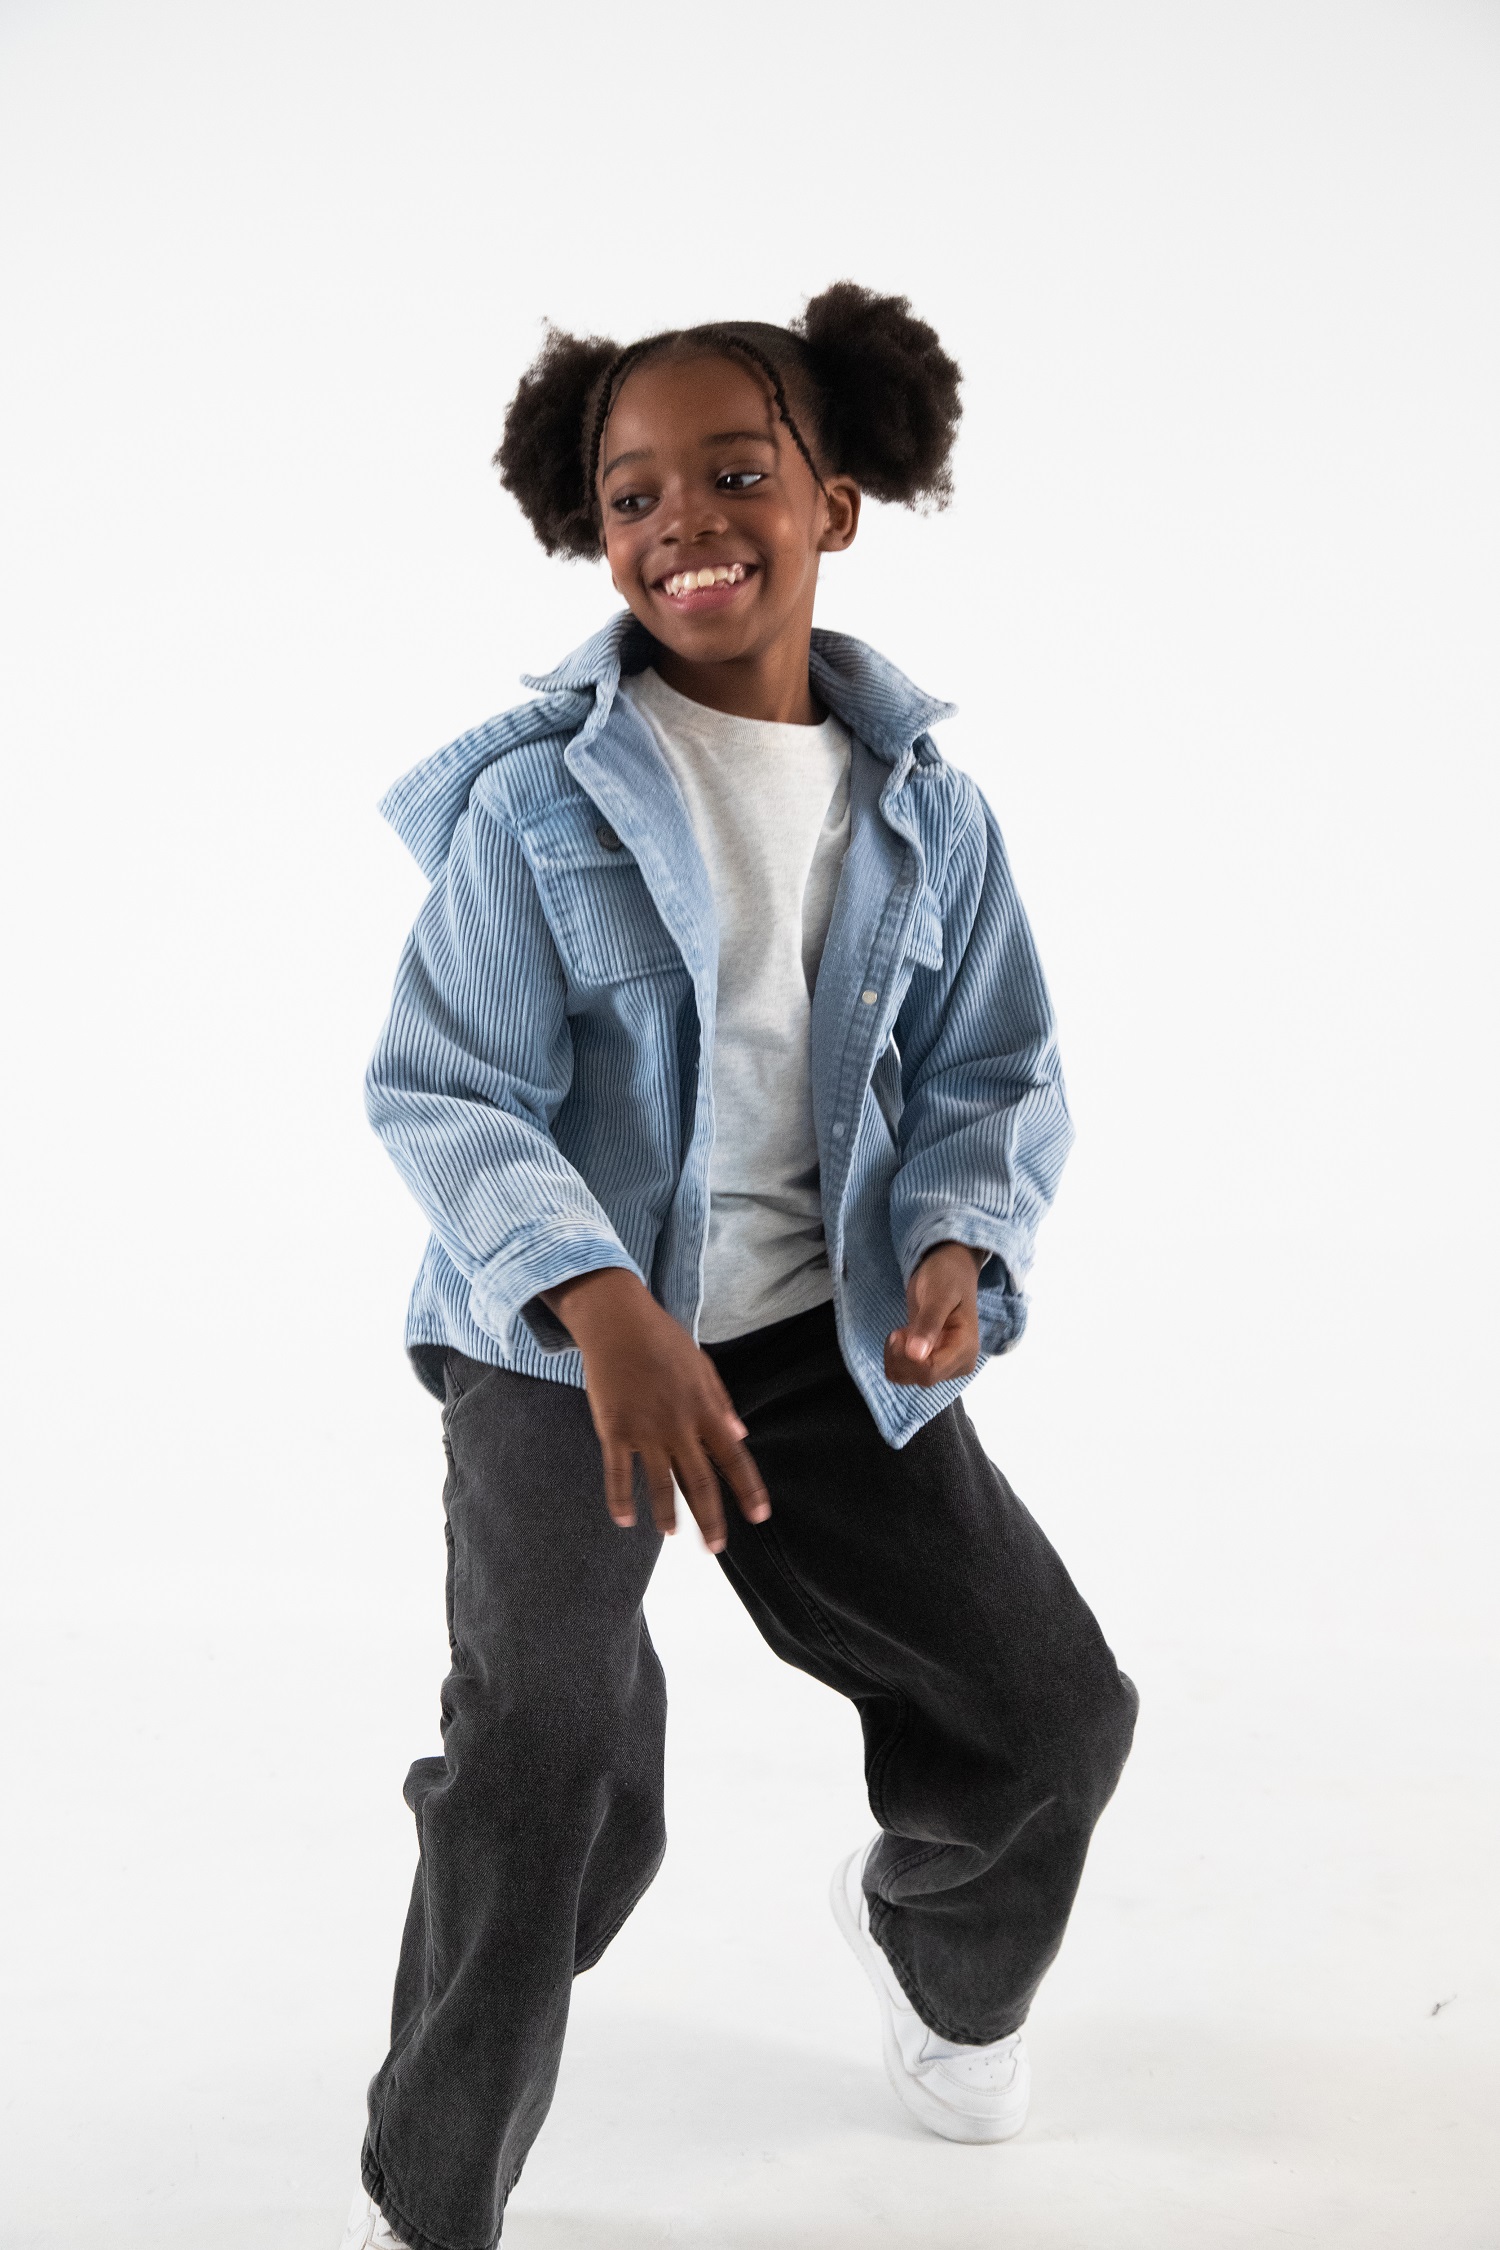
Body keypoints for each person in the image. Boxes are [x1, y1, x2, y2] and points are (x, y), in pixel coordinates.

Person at [341, 284, 1138, 2250]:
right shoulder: (538, 807)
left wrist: (957, 1236)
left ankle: (938, 1960)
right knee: (549, 1776)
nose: (683, 521)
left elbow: (993, 1072)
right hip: (564, 1349)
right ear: (594, 532)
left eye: (734, 473)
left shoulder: (928, 813)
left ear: (834, 503)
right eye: (633, 496)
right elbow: (445, 1089)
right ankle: (430, 2202)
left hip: (809, 1340)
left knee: (1049, 1715)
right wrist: (600, 1298)